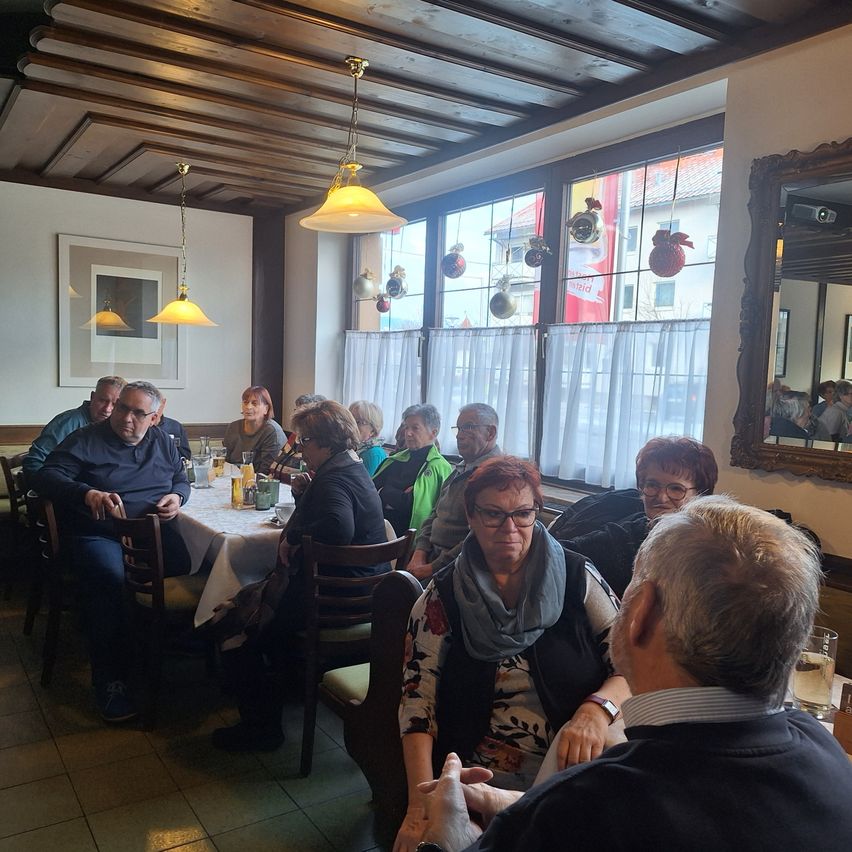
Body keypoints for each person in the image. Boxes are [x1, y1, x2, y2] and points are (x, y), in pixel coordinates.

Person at [416, 495, 852, 852]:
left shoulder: (587, 807)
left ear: (640, 611)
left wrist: (447, 839)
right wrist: (511, 802)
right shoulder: (824, 752)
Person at [395, 457, 629, 852]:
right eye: (493, 514)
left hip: (575, 757)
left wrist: (595, 710)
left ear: (537, 512)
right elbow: (418, 703)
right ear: (470, 515)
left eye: (523, 514)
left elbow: (629, 665)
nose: (509, 529)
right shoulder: (444, 595)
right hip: (481, 770)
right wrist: (418, 803)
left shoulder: (577, 578)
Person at [212, 400, 390, 751]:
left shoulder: (334, 479)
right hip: (363, 597)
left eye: (304, 441)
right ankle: (275, 692)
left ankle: (262, 728)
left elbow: (339, 526)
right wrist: (305, 492)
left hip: (329, 602)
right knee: (251, 606)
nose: (299, 447)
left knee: (236, 625)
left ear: (324, 441)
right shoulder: (350, 469)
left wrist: (293, 537)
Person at [33, 381, 190, 722]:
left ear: (154, 416)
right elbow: (45, 476)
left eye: (137, 412)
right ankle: (111, 679)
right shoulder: (87, 438)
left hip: (152, 535)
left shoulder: (163, 442)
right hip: (99, 535)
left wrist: (178, 497)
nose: (126, 418)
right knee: (112, 580)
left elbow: (181, 477)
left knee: (194, 562)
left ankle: (168, 651)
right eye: (122, 408)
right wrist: (85, 493)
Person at [558, 436, 718, 598]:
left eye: (676, 489)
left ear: (701, 495)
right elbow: (559, 555)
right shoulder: (623, 538)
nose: (662, 497)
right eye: (652, 485)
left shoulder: (714, 550)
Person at [407, 404, 502, 583]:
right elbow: (435, 513)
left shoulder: (495, 475)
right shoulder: (462, 466)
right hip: (430, 555)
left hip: (455, 570)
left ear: (490, 433)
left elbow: (475, 540)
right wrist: (420, 552)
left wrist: (431, 568)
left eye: (468, 427)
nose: (459, 435)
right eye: (458, 428)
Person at [373, 404, 453, 536]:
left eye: (415, 428)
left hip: (410, 537)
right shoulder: (395, 460)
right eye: (406, 427)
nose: (408, 433)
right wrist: (400, 496)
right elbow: (370, 491)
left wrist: (385, 491)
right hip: (377, 528)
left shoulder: (439, 467)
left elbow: (411, 505)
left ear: (433, 432)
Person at [23, 376, 125, 478]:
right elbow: (34, 462)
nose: (107, 409)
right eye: (102, 400)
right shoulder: (66, 423)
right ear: (92, 397)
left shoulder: (121, 429)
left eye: (115, 405)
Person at [222, 385, 286, 474]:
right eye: (245, 402)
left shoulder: (272, 432)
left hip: (259, 483)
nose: (248, 407)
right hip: (232, 479)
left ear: (266, 409)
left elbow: (266, 472)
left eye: (254, 403)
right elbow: (225, 460)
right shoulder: (233, 427)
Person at [349, 400, 387, 476]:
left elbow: (361, 486)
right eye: (350, 420)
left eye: (359, 422)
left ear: (373, 430)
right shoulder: (352, 447)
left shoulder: (374, 454)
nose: (352, 425)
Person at [152, 396, 191, 460]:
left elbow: (185, 456)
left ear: (163, 403)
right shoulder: (139, 427)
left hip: (172, 468)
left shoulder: (175, 426)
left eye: (157, 404)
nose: (154, 409)